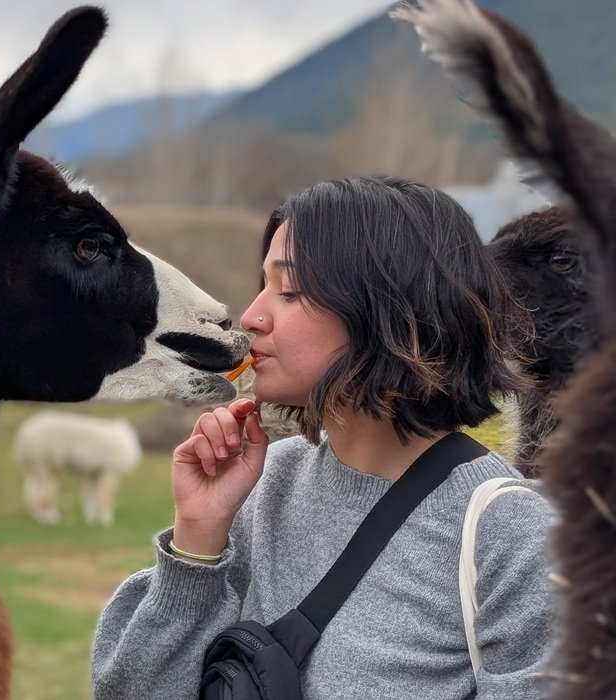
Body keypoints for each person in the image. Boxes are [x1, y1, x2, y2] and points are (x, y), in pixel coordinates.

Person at [91, 176, 556, 699]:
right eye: (262, 284)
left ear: (391, 310)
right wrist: (197, 540)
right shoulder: (268, 485)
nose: (250, 317)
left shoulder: (513, 537)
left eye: (289, 291)